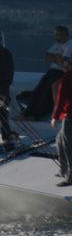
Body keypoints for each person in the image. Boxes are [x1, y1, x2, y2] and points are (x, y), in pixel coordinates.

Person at [23, 26, 70, 120]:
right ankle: (27, 114)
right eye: (56, 35)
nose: (57, 37)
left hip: (60, 72)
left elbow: (64, 61)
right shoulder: (56, 44)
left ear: (66, 34)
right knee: (38, 91)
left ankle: (37, 115)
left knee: (47, 93)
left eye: (59, 34)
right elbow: (46, 56)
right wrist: (56, 57)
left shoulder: (70, 45)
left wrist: (55, 58)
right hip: (51, 71)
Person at [51, 57, 72, 187]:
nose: (63, 67)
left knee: (68, 145)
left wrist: (55, 116)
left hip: (69, 116)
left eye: (65, 65)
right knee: (60, 139)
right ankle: (63, 170)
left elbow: (61, 100)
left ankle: (70, 176)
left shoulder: (66, 78)